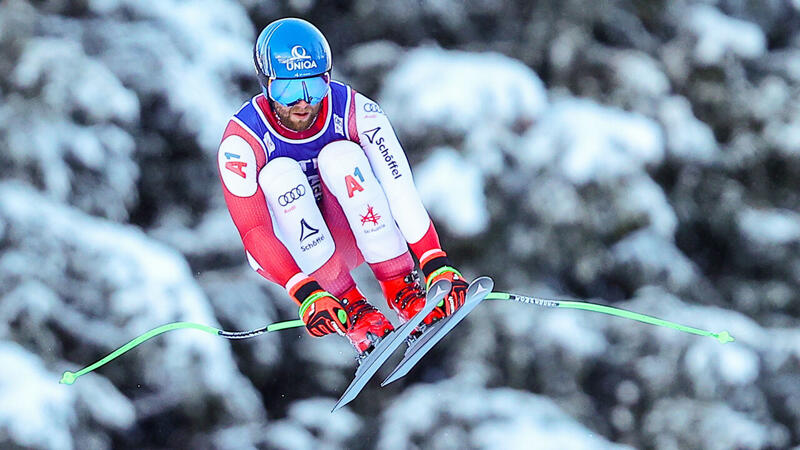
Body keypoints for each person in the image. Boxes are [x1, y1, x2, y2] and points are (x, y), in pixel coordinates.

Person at [217, 17, 469, 360]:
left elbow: (400, 188)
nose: (303, 103)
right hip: (291, 255)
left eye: (314, 86)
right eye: (287, 90)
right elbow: (254, 230)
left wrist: (433, 260)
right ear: (265, 85)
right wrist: (304, 291)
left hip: (355, 230)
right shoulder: (242, 141)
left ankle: (402, 289)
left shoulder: (355, 110)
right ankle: (352, 309)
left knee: (341, 155)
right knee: (280, 174)